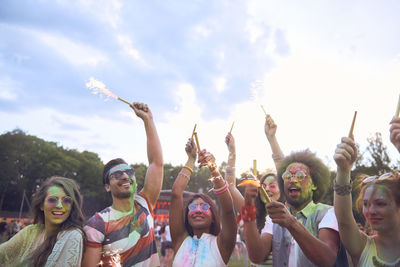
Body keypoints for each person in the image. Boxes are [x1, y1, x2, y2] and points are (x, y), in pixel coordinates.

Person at [82, 102, 163, 267]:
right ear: (107, 186)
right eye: (117, 174)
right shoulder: (97, 224)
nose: (125, 176)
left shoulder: (144, 203)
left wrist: (148, 120)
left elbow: (156, 163)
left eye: (129, 172)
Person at [243, 150, 340, 267]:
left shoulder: (327, 213)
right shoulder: (273, 219)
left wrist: (291, 223)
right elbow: (257, 256)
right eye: (287, 176)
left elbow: (327, 259)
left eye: (300, 176)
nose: (292, 180)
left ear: (314, 184)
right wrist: (248, 204)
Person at [333, 136, 400, 266]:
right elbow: (344, 219)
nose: (371, 211)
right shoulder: (363, 247)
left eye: (380, 203)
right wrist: (343, 170)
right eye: (366, 204)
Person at [170, 138, 236, 266]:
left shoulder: (222, 245)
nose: (198, 210)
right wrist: (191, 160)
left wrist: (213, 168)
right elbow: (176, 193)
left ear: (213, 216)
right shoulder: (180, 240)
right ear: (187, 215)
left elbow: (228, 209)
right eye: (193, 207)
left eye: (204, 207)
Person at [0, 176, 86, 267]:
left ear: (72, 206)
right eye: (52, 199)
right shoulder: (31, 232)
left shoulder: (72, 236)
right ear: (41, 205)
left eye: (67, 200)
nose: (59, 206)